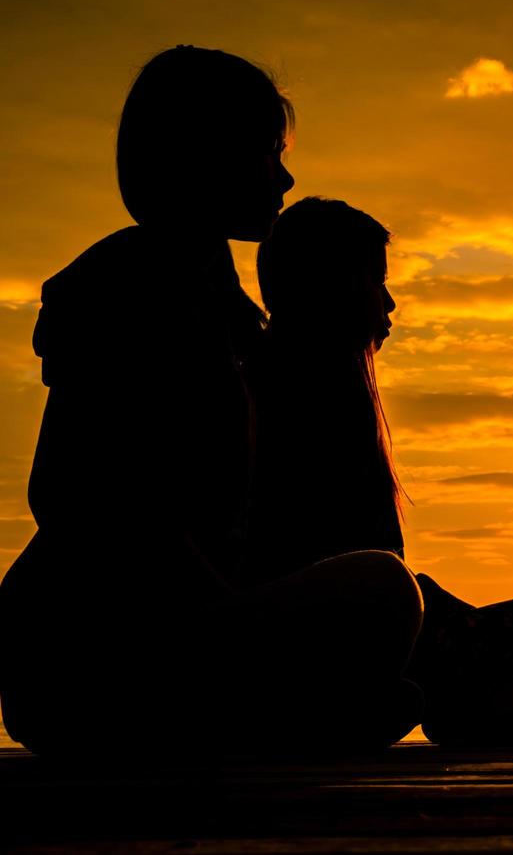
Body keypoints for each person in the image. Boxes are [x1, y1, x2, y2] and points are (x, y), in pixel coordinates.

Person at [0, 47, 423, 757]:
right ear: (203, 155)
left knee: (389, 606)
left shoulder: (219, 311)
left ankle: (331, 706)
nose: (284, 176)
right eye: (266, 152)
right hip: (90, 667)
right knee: (381, 588)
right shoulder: (128, 290)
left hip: (157, 643)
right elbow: (69, 499)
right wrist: (217, 607)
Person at [246, 197, 513, 746]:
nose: (388, 302)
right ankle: (471, 706)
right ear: (328, 287)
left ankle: (475, 703)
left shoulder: (328, 395)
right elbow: (325, 559)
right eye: (374, 281)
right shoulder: (278, 394)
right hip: (326, 633)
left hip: (383, 618)